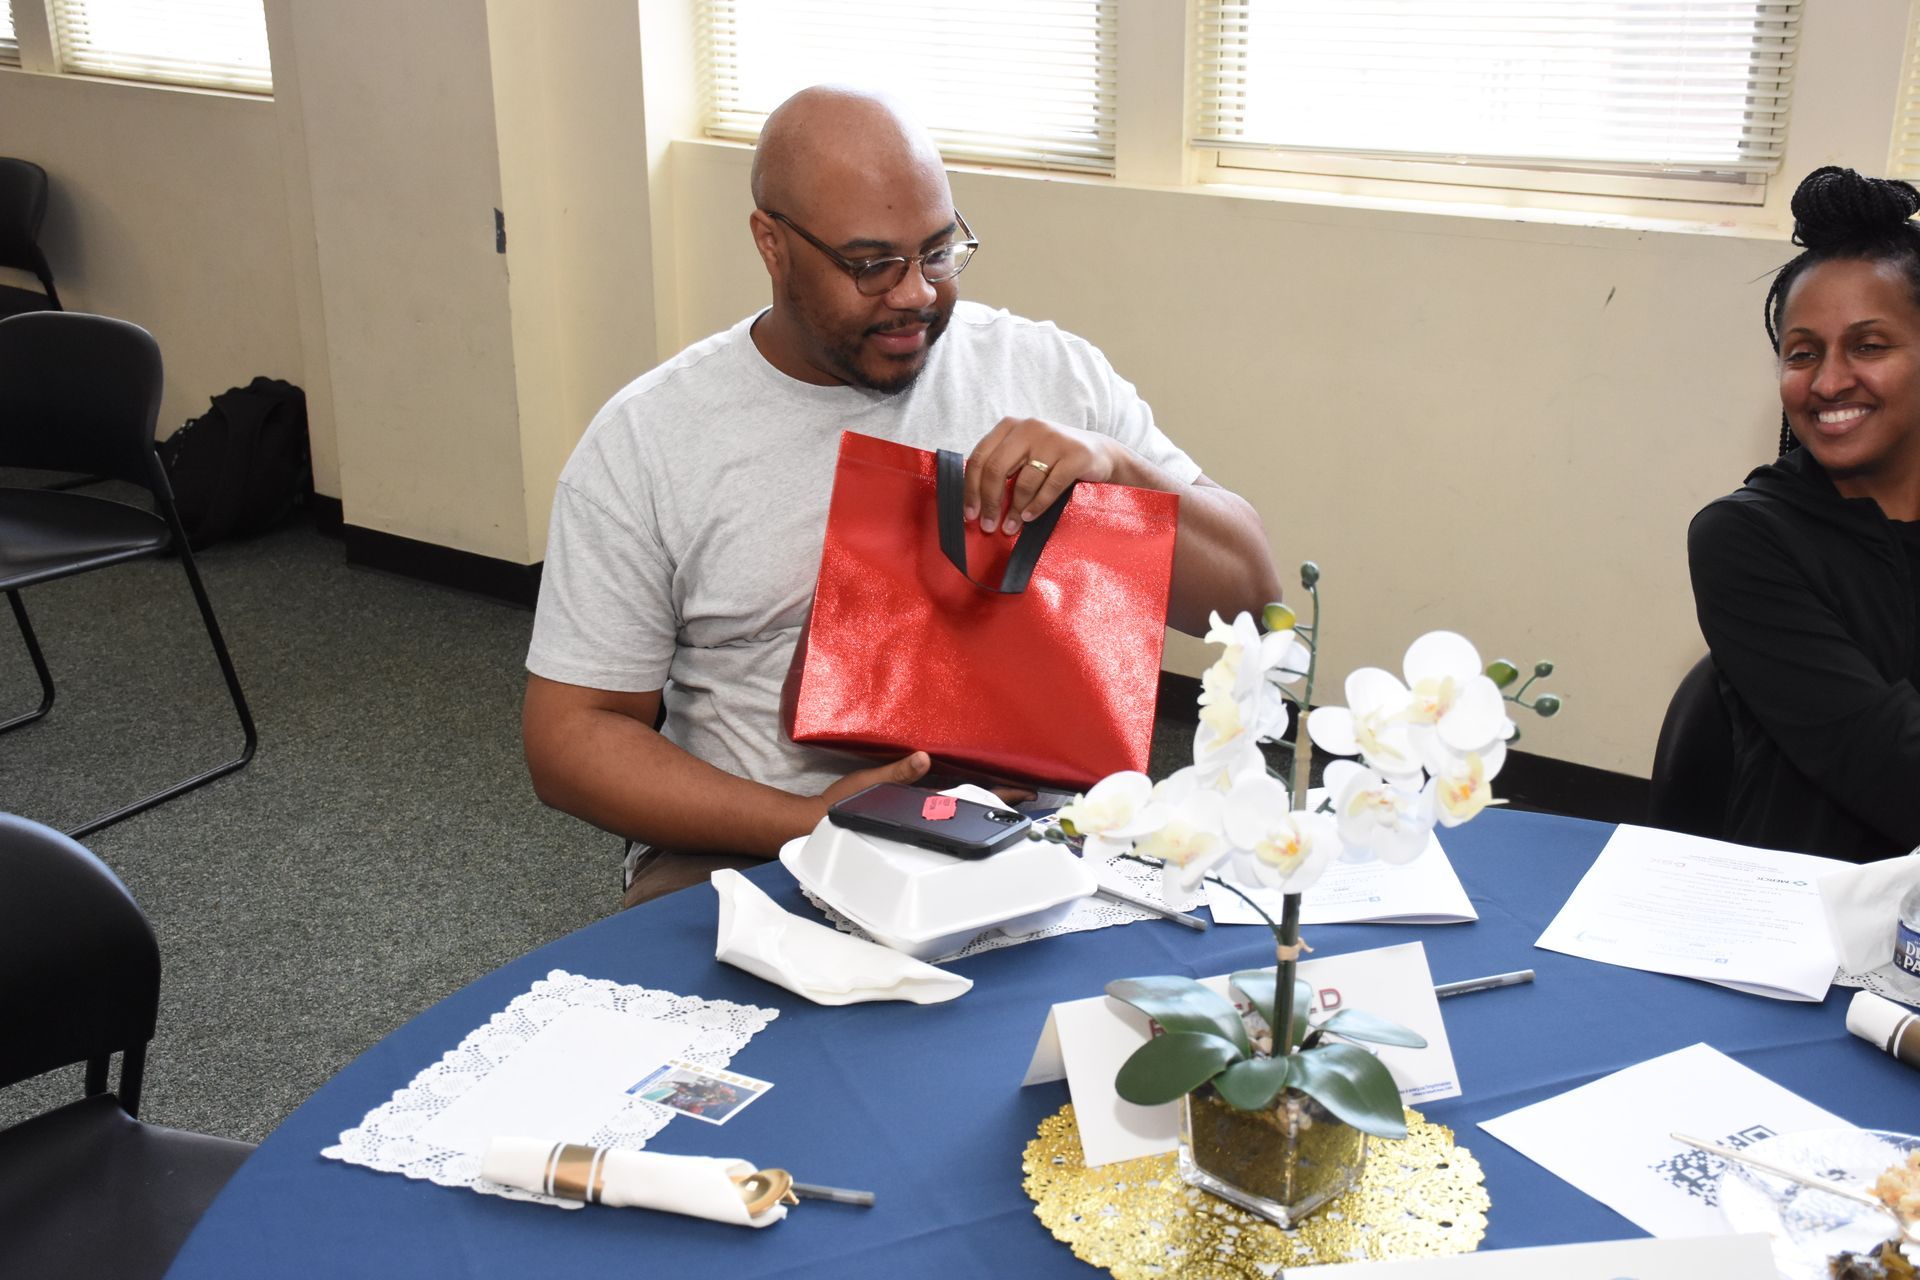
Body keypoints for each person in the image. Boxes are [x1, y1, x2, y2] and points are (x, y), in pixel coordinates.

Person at [523, 86, 1283, 904]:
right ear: (771, 245)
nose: (917, 292)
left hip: (1046, 839)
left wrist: (1118, 471)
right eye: (871, 264)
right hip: (757, 853)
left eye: (937, 250)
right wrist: (802, 817)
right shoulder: (650, 440)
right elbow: (571, 738)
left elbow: (1252, 598)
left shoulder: (1048, 371)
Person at [1689, 165, 1920, 861]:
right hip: (1812, 926)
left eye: (1869, 345)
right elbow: (1890, 768)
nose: (1827, 381)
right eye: (1802, 353)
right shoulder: (1747, 537)